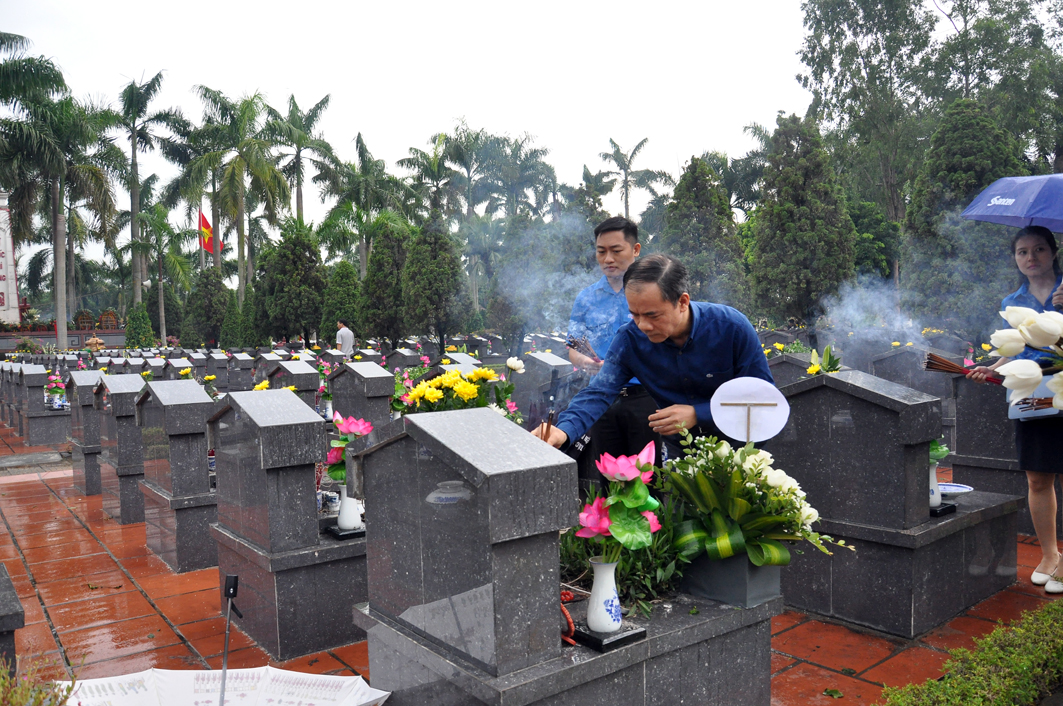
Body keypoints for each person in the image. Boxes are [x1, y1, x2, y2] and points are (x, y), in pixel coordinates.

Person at [535, 254, 773, 458]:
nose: (643, 325)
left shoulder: (731, 328)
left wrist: (698, 413)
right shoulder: (629, 340)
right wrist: (563, 430)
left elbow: (764, 398)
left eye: (652, 315)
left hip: (742, 450)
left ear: (682, 302)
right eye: (635, 314)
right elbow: (598, 392)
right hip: (683, 454)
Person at [968, 225, 1063, 593]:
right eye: (1023, 251)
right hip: (1032, 391)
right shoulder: (1013, 301)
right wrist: (991, 369)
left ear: (1053, 252)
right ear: (1015, 259)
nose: (1031, 257)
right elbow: (1015, 348)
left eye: (1039, 249)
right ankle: (1050, 555)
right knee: (1038, 477)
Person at [567, 217, 662, 493]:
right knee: (610, 484)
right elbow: (573, 347)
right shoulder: (586, 298)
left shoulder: (652, 293)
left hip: (644, 399)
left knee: (648, 482)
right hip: (602, 402)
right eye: (601, 251)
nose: (608, 259)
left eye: (616, 250)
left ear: (635, 250)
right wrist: (585, 362)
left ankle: (650, 523)